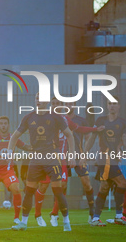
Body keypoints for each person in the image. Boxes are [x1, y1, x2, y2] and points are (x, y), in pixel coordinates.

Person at [26, 98, 104, 227]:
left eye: (58, 104)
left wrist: (95, 129)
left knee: (62, 185)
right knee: (43, 186)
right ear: (51, 105)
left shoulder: (65, 119)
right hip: (46, 157)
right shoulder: (44, 117)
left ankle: (55, 214)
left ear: (62, 106)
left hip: (62, 159)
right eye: (54, 103)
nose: (56, 106)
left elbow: (79, 129)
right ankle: (38, 214)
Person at [9, 93, 75, 232]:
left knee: (58, 191)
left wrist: (72, 156)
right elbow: (14, 136)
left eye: (41, 98)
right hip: (36, 159)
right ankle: (24, 223)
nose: (38, 100)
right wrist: (10, 152)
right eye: (36, 98)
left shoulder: (55, 117)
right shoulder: (28, 117)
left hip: (52, 158)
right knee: (29, 191)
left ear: (46, 101)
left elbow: (69, 134)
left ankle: (66, 222)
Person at [85, 96, 126, 226]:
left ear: (119, 106)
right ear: (107, 105)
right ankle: (118, 215)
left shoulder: (122, 122)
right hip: (104, 158)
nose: (112, 105)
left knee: (104, 188)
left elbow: (125, 140)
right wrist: (84, 153)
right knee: (122, 183)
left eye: (114, 103)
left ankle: (95, 218)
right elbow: (92, 137)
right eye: (109, 103)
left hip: (114, 159)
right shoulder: (101, 120)